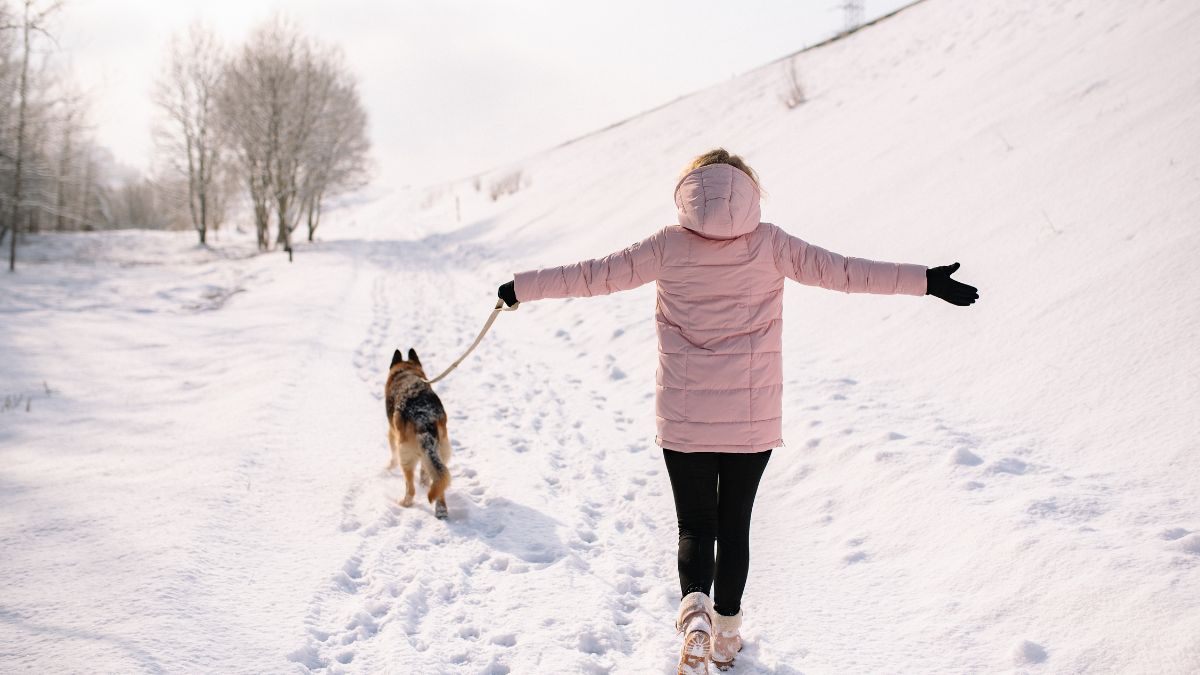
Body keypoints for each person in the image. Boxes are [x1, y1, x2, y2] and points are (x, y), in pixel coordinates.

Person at [496, 148, 977, 673]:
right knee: (735, 524)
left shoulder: (666, 246)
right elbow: (845, 272)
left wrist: (519, 289)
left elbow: (590, 275)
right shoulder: (772, 244)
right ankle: (726, 636)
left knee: (695, 527)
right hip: (752, 416)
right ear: (749, 192)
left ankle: (694, 612)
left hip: (684, 417)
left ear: (689, 191)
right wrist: (925, 280)